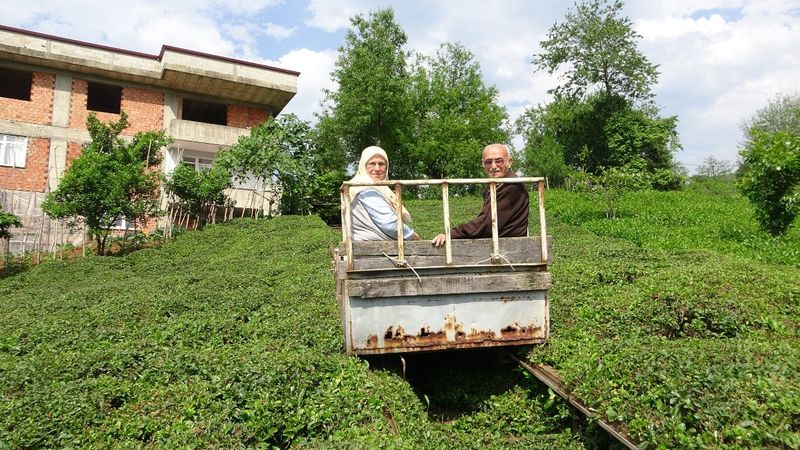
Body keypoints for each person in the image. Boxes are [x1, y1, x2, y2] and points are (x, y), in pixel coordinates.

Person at [432, 143, 528, 247]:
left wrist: (451, 234)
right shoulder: (495, 185)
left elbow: (485, 224)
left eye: (499, 161)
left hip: (509, 249)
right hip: (503, 246)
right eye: (488, 162)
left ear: (509, 162)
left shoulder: (511, 186)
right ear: (483, 164)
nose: (493, 166)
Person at [348, 146, 420, 241]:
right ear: (363, 166)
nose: (377, 169)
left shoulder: (381, 189)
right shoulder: (365, 188)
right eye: (372, 163)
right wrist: (413, 236)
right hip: (372, 251)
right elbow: (390, 225)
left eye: (381, 164)